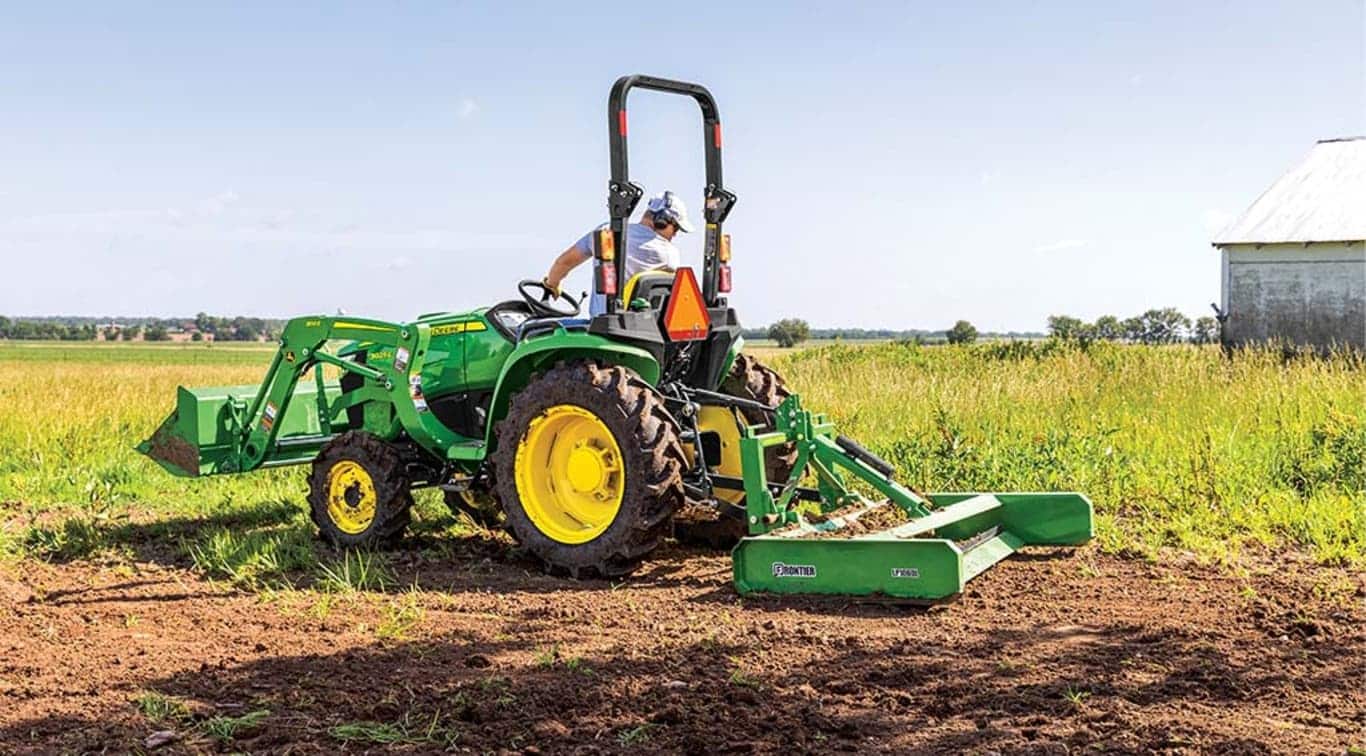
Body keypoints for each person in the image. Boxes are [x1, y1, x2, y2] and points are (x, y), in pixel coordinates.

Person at [542, 191, 694, 316]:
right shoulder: (671, 255)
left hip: (605, 326)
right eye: (676, 229)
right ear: (663, 220)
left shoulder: (606, 233)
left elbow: (564, 263)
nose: (675, 235)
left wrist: (552, 285)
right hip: (648, 328)